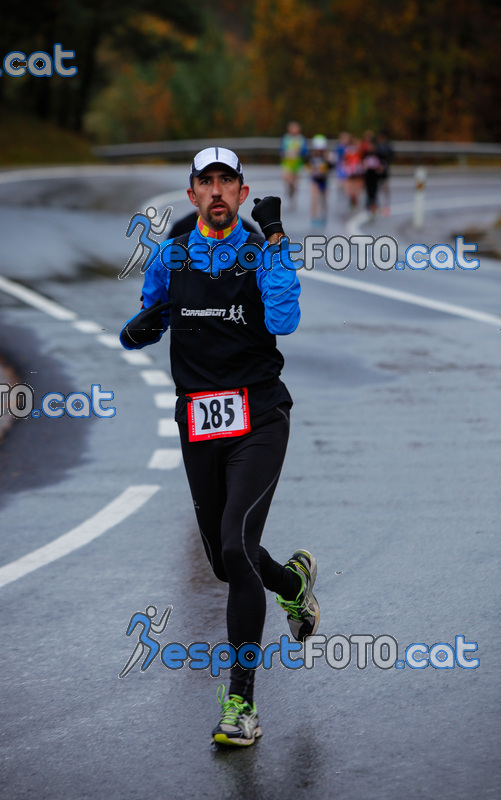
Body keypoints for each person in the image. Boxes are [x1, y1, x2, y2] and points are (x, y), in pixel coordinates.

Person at [120, 146, 320, 748]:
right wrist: (144, 326)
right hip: (200, 422)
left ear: (240, 191)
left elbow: (284, 317)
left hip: (259, 416)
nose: (215, 191)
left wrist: (279, 237)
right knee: (222, 561)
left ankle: (241, 705)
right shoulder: (172, 255)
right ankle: (292, 586)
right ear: (191, 195)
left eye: (226, 182)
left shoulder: (261, 250)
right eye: (204, 182)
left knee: (236, 546)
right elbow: (152, 312)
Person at [280, 121, 308, 209]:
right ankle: (289, 190)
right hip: (287, 163)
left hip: (297, 164)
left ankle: (292, 195)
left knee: (295, 183)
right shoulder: (286, 138)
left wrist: (299, 153)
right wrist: (286, 153)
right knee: (287, 179)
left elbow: (305, 151)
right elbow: (281, 150)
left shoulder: (301, 139)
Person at [308, 134, 333, 225]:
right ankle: (314, 217)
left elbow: (331, 167)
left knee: (324, 199)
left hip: (324, 180)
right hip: (315, 179)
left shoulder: (327, 156)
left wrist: (329, 161)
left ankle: (323, 216)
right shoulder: (312, 156)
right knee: (314, 198)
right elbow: (308, 166)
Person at [376, 132, 394, 216]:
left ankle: (386, 206)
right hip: (376, 171)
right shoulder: (376, 147)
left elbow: (392, 155)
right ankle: (378, 206)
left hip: (384, 171)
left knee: (385, 188)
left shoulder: (387, 146)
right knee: (378, 189)